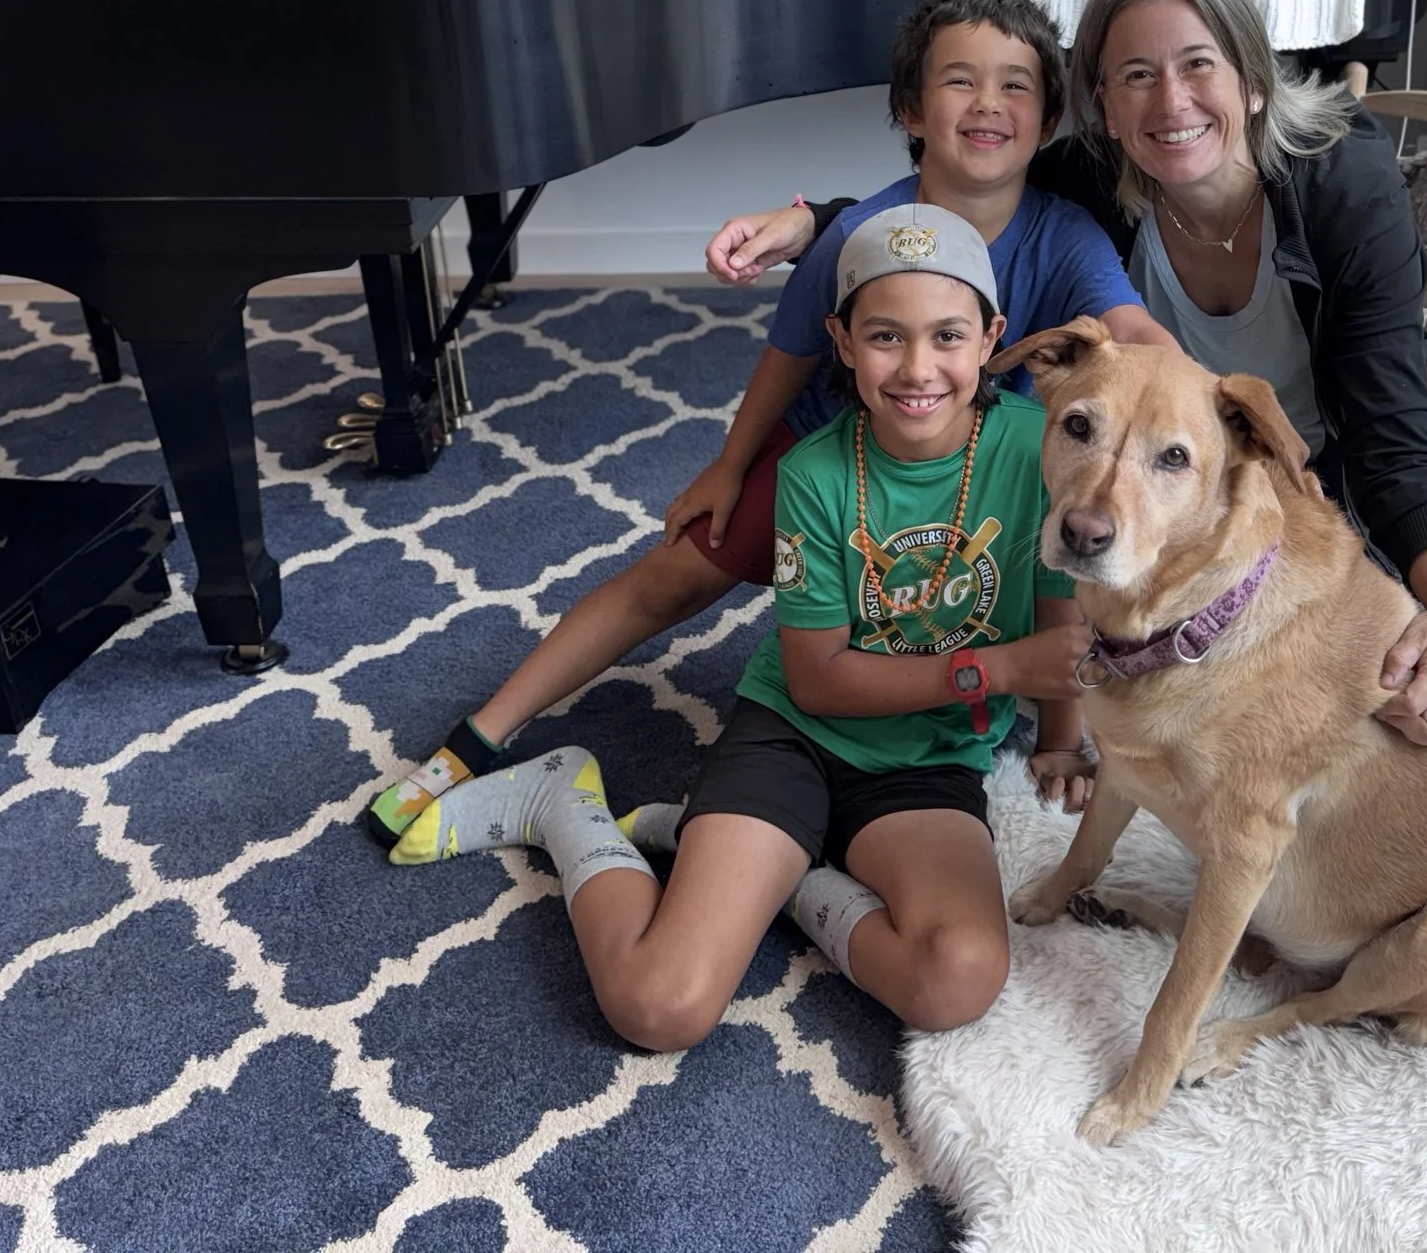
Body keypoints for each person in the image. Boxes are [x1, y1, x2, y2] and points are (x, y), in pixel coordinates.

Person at [362, 0, 1173, 847]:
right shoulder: (852, 233)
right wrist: (731, 463)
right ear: (909, 108)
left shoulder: (1071, 236)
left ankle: (1032, 731)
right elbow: (788, 359)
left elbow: (1136, 334)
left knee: (1067, 562)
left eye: (1015, 86)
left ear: (1047, 120)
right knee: (679, 570)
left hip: (981, 468)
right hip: (843, 440)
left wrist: (1215, 404)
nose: (986, 104)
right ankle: (479, 734)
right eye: (959, 82)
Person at [706, 0, 1427, 747]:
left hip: (1303, 485)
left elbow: (1395, 430)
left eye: (1197, 66)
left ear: (1253, 82)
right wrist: (817, 223)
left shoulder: (1348, 192)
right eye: (1136, 75)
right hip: (1138, 477)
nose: (1171, 99)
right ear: (1103, 108)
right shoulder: (1091, 181)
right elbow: (962, 200)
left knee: (1379, 720)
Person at [387, 207, 1095, 1052]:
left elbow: (1063, 612)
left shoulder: (1044, 448)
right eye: (883, 336)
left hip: (926, 761)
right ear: (840, 340)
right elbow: (819, 680)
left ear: (991, 337)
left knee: (957, 979)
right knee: (659, 1007)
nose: (918, 368)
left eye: (948, 335)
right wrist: (1000, 669)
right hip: (795, 735)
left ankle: (794, 883)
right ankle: (562, 804)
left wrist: (1059, 741)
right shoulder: (813, 473)